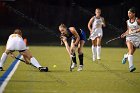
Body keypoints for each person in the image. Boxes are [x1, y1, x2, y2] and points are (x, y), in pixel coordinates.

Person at [121, 7, 140, 72]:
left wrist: (136, 31)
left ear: (134, 14)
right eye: (128, 13)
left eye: (130, 13)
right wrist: (124, 34)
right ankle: (131, 67)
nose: (128, 14)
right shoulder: (127, 21)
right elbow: (128, 30)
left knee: (131, 52)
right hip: (129, 37)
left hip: (137, 38)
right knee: (131, 50)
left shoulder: (137, 20)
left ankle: (126, 56)